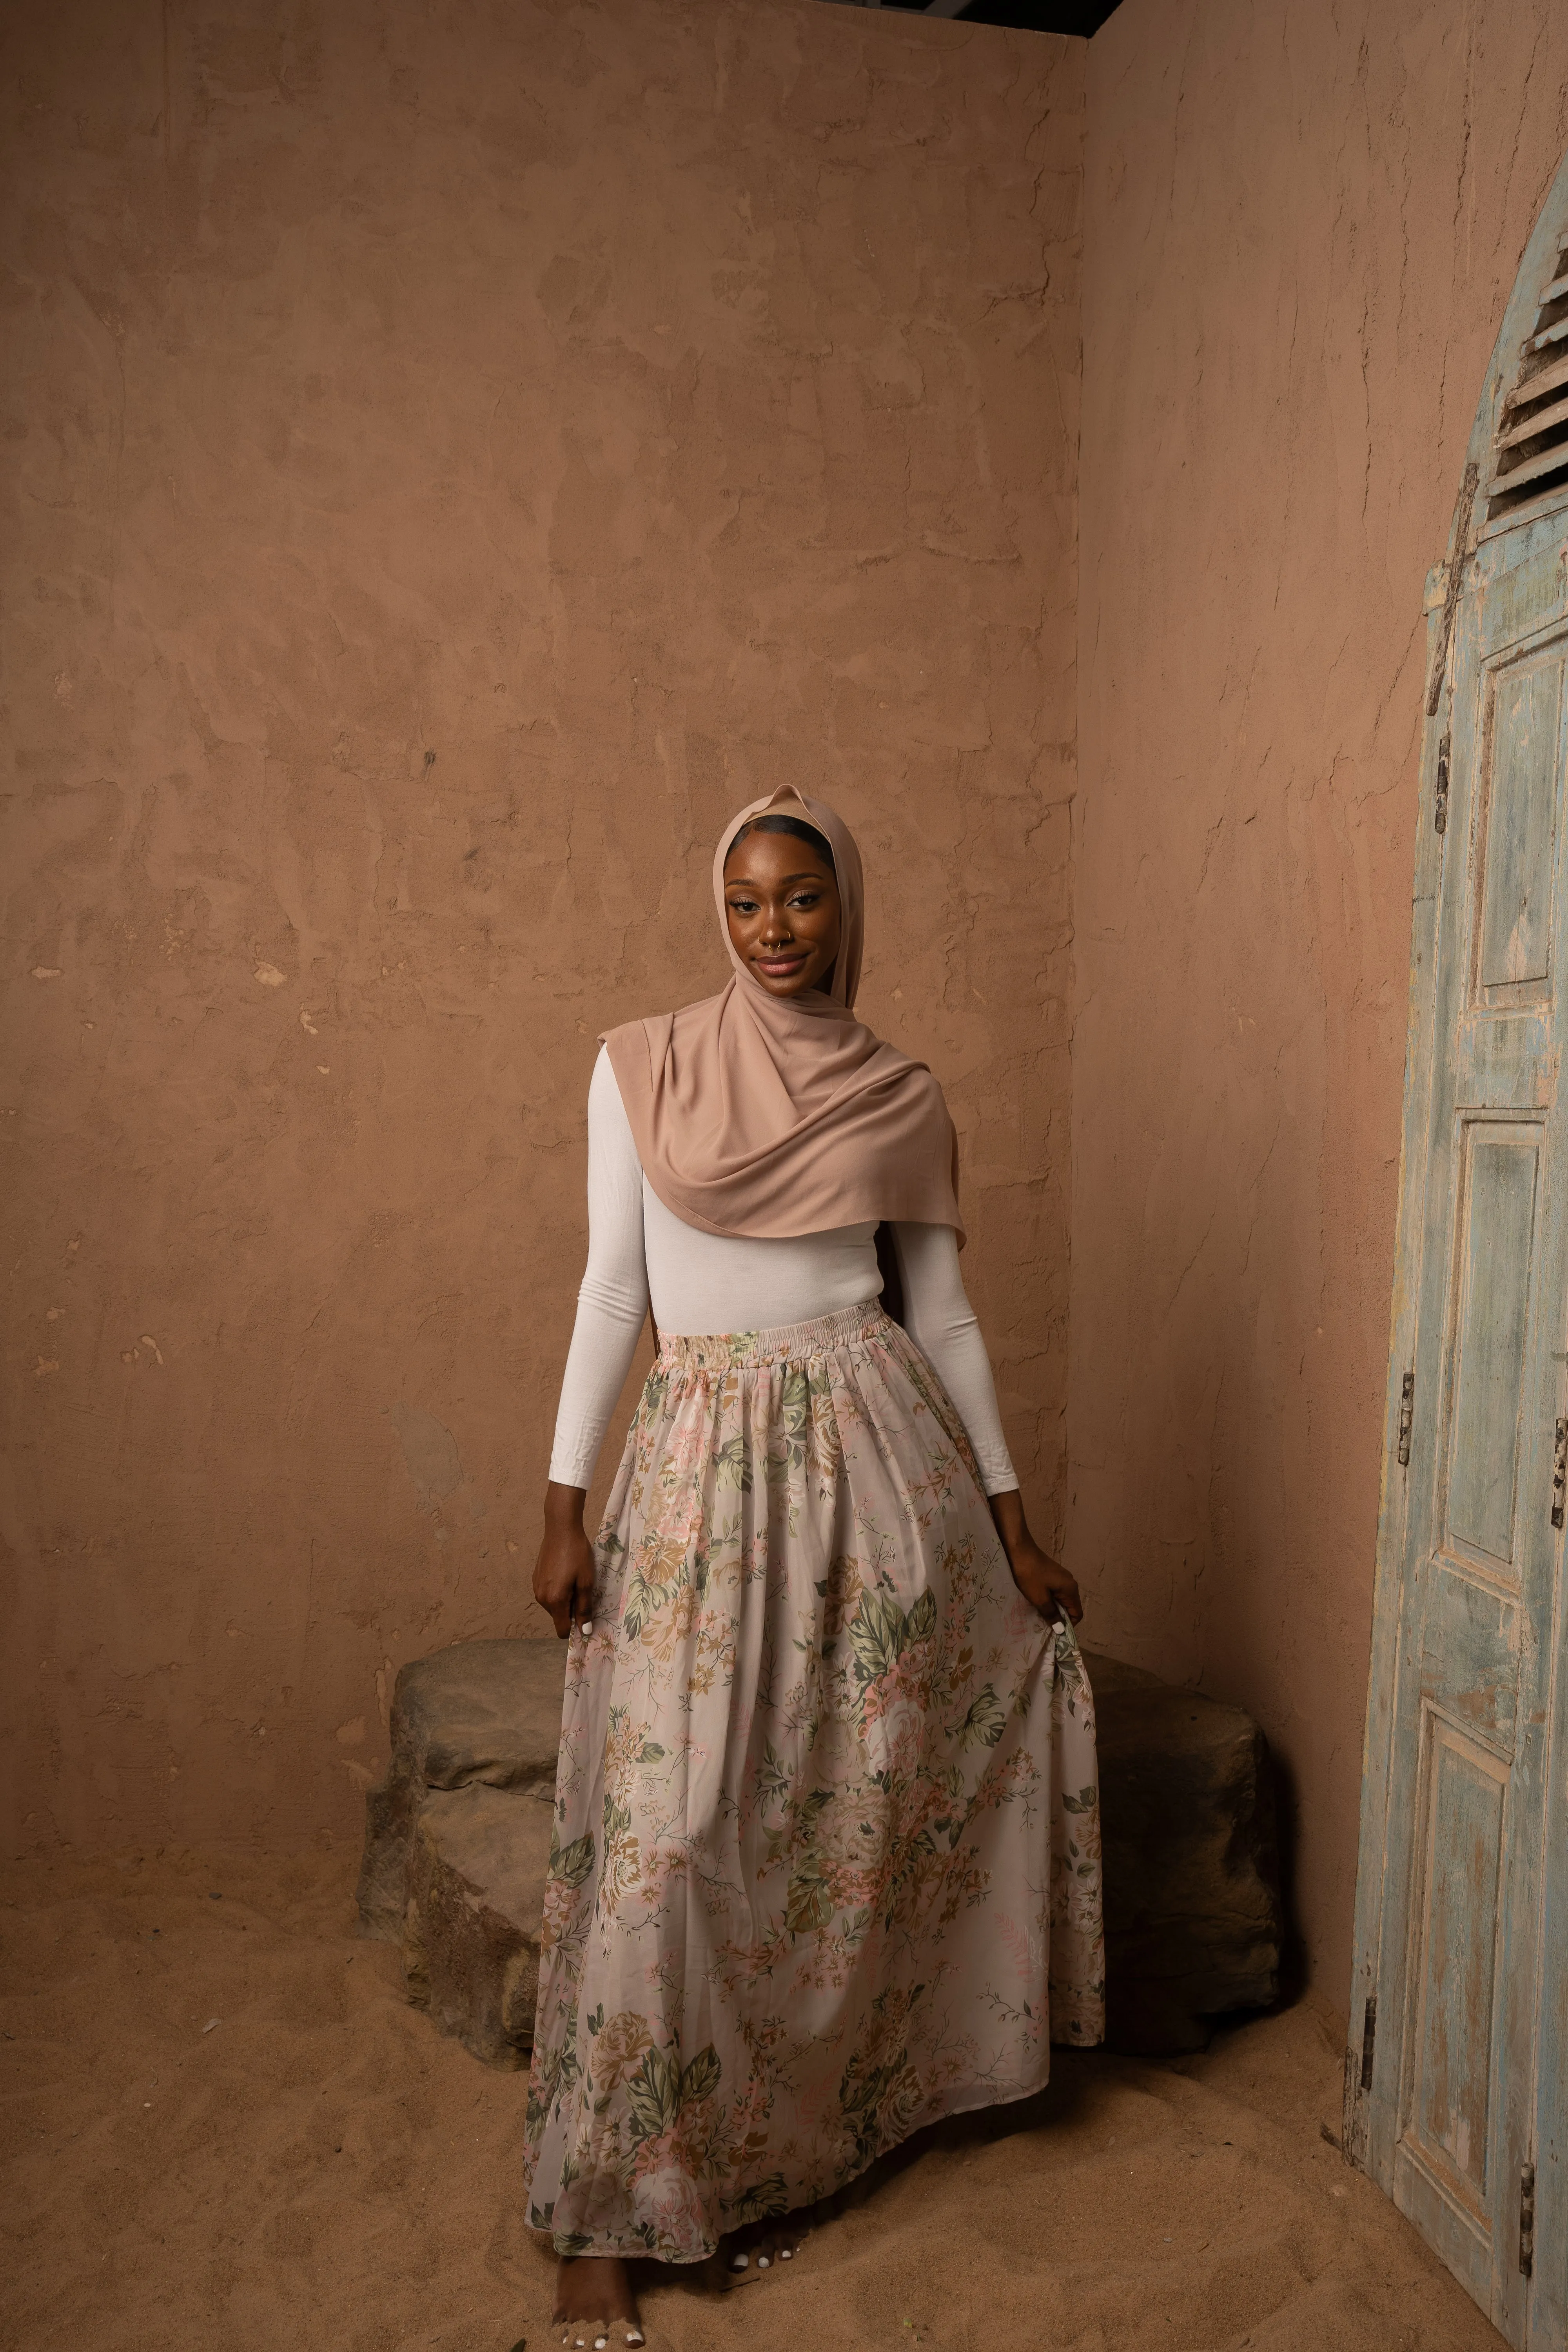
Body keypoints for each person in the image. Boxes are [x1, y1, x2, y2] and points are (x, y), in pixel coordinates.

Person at [526, 788, 1104, 2349]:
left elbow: (949, 1316)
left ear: (849, 908)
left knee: (835, 1814)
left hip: (872, 1461)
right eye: (745, 904)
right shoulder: (637, 1068)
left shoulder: (901, 1093)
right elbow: (609, 1293)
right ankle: (606, 2215)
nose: (774, 931)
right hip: (702, 1467)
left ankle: (800, 2135)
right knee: (673, 1825)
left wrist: (1011, 1522)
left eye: (803, 900)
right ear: (714, 915)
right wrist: (563, 1501)